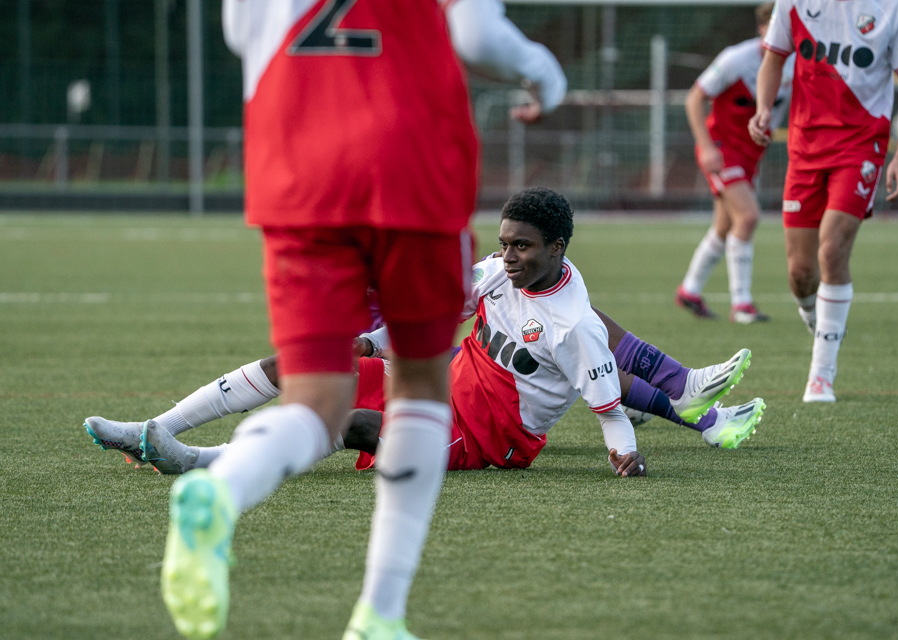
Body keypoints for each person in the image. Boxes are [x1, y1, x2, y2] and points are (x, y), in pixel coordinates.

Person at [149, 1, 485, 639]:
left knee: (313, 404)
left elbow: (241, 35)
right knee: (421, 389)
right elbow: (479, 34)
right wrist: (541, 74)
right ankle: (380, 613)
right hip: (413, 173)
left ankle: (224, 491)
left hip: (298, 177)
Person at [86, 191, 765, 478]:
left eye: (523, 246)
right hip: (434, 383)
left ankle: (200, 462)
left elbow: (611, 405)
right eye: (505, 243)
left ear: (558, 247)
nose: (508, 256)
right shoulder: (497, 274)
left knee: (353, 424)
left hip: (484, 437)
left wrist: (628, 456)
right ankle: (157, 428)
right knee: (300, 362)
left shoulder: (575, 324)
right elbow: (432, 319)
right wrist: (375, 345)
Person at [748, 0, 898, 402]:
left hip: (861, 144)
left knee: (832, 249)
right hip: (805, 147)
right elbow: (773, 60)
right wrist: (762, 110)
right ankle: (819, 321)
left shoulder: (896, 7)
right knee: (800, 273)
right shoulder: (794, 3)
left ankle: (821, 376)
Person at [676, 3, 794, 324]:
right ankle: (741, 304)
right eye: (775, 26)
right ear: (761, 29)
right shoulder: (736, 59)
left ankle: (689, 290)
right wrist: (706, 147)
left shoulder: (796, 62)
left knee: (725, 225)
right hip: (721, 149)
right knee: (748, 216)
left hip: (750, 155)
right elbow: (694, 98)